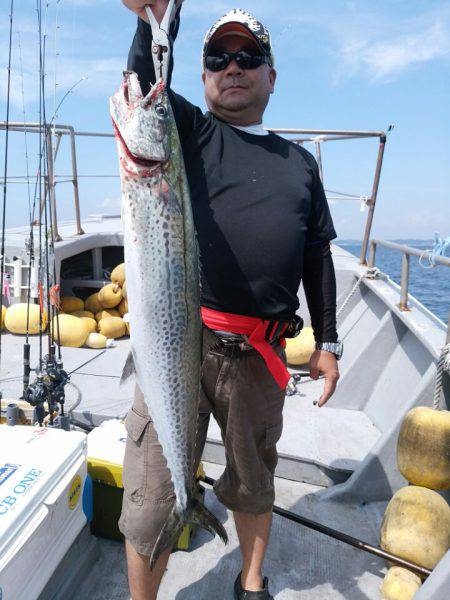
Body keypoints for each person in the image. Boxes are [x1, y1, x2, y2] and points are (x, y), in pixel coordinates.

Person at [119, 2, 343, 599]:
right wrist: (155, 19)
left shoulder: (299, 163)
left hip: (259, 357)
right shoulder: (188, 131)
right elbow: (144, 85)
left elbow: (316, 254)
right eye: (219, 57)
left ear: (271, 75)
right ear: (203, 75)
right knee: (147, 506)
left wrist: (328, 342)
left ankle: (249, 582)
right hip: (177, 342)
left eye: (249, 57)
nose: (234, 67)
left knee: (252, 481)